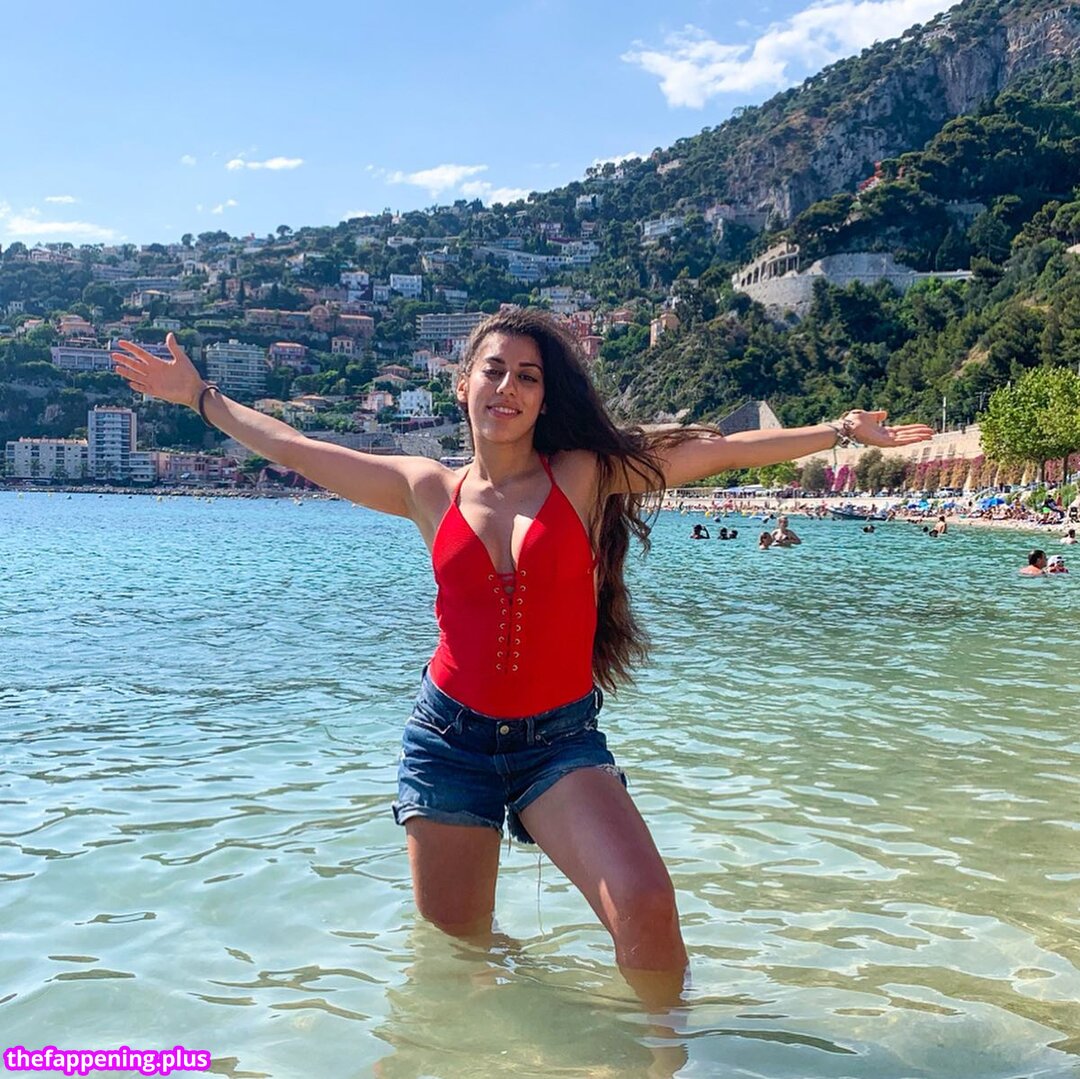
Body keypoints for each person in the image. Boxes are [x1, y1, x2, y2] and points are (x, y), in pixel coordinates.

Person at [111, 311, 933, 1005]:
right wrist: (201, 396)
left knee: (647, 906)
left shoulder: (585, 474)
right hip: (448, 743)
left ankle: (663, 1057)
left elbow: (715, 451)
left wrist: (839, 432)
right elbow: (294, 446)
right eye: (494, 370)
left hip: (558, 743)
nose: (508, 387)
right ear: (462, 383)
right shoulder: (424, 488)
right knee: (459, 954)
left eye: (528, 376)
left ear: (544, 397)